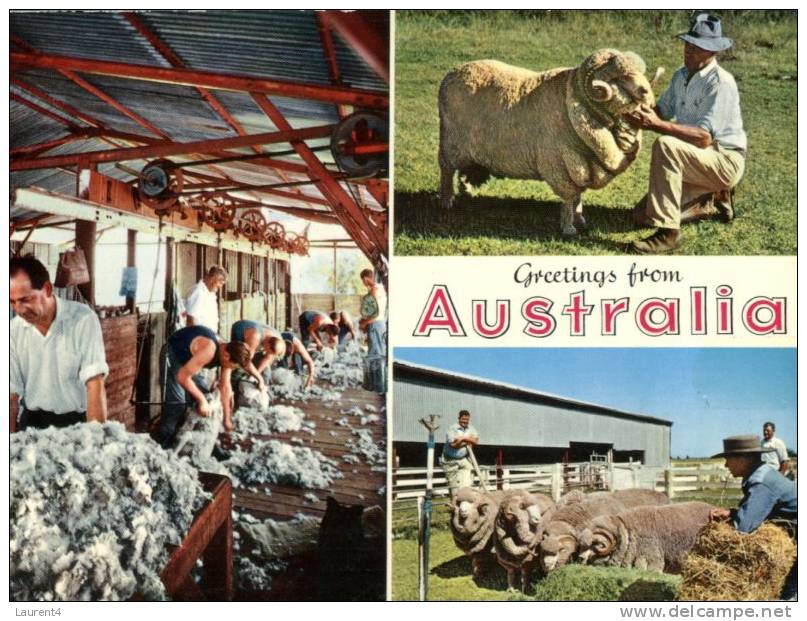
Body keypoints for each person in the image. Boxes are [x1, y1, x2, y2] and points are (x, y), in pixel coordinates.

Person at [628, 13, 746, 254]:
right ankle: (708, 201)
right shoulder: (681, 75)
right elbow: (661, 111)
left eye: (697, 47)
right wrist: (640, 109)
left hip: (724, 159)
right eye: (688, 45)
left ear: (713, 51)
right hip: (695, 160)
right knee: (641, 216)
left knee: (665, 144)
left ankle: (668, 235)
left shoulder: (721, 83)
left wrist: (655, 125)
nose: (689, 51)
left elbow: (703, 137)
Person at [10, 256, 109, 432]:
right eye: (12, 302)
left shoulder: (83, 319)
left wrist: (96, 441)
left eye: (25, 300)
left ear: (47, 289)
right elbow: (10, 394)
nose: (19, 309)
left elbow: (95, 383)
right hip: (33, 424)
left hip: (75, 424)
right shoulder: (13, 330)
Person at [710, 435, 797, 599]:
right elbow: (761, 510)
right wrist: (732, 513)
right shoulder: (763, 472)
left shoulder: (760, 482)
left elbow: (743, 528)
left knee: (789, 596)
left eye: (728, 459)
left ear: (744, 459)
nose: (726, 464)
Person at [159, 325, 255, 446]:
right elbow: (182, 377)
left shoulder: (230, 351)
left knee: (207, 397)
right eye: (232, 366)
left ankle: (201, 442)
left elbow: (225, 388)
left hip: (190, 363)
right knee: (177, 403)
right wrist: (201, 400)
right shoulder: (209, 350)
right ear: (226, 356)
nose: (230, 369)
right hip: (173, 354)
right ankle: (164, 444)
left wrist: (227, 419)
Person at [359, 268, 387, 392]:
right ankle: (376, 384)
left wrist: (364, 323)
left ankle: (378, 386)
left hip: (376, 324)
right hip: (379, 325)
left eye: (363, 281)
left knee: (376, 355)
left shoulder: (375, 289)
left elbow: (375, 314)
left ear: (366, 278)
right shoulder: (380, 288)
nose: (363, 283)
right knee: (376, 353)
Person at [440, 410, 480, 499]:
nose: (465, 421)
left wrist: (462, 438)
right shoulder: (452, 428)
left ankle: (466, 496)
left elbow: (476, 441)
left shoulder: (471, 428)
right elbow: (453, 445)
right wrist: (468, 440)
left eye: (467, 420)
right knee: (452, 483)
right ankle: (454, 502)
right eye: (463, 419)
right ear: (459, 418)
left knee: (470, 471)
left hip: (463, 458)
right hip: (450, 459)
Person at [184, 265, 227, 332]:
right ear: (212, 279)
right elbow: (190, 320)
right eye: (220, 283)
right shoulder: (198, 292)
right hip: (200, 338)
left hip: (209, 336)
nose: (220, 287)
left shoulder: (210, 293)